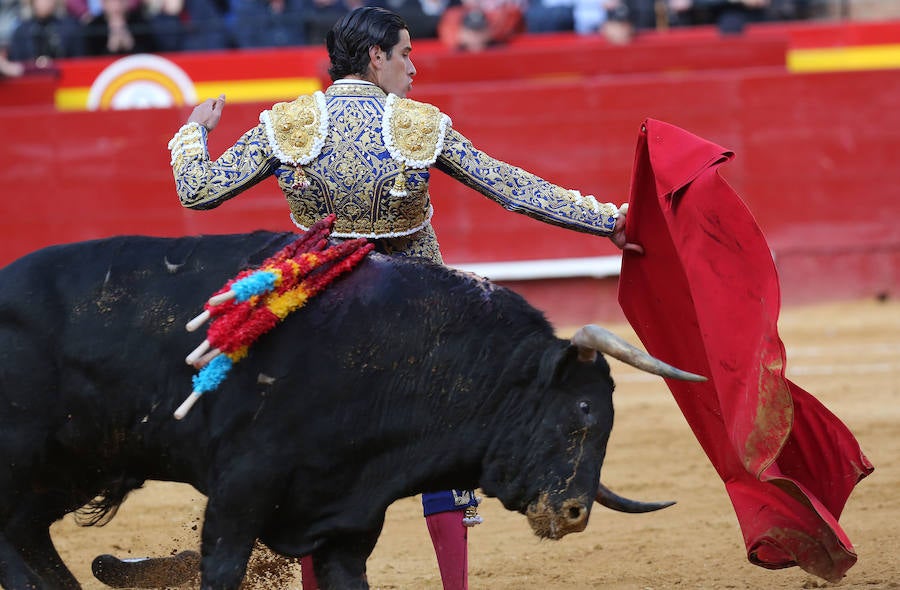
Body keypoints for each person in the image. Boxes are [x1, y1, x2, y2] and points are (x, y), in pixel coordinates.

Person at [167, 6, 639, 588]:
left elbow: (198, 189)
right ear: (376, 57)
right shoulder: (417, 124)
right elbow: (511, 188)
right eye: (407, 53)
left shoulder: (285, 124)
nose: (414, 67)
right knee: (445, 443)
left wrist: (195, 129)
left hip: (321, 319)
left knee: (319, 459)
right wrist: (604, 220)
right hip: (421, 321)